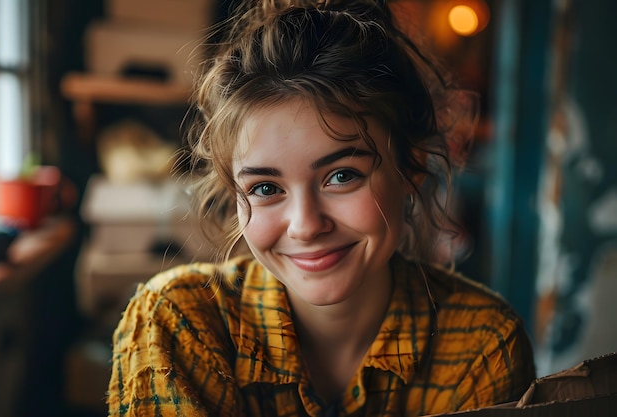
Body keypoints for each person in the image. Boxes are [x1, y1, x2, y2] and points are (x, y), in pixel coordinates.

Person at [107, 1, 536, 416]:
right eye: (266, 187)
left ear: (412, 167)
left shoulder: (481, 345)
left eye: (342, 176)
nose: (306, 226)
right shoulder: (177, 325)